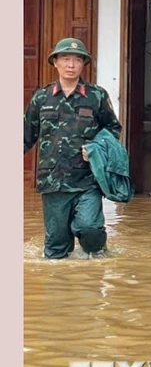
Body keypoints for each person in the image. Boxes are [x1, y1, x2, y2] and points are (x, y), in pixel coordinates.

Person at [23, 38, 122, 259]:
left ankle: (95, 271)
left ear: (83, 64)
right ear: (55, 62)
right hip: (52, 182)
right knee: (56, 251)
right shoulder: (42, 97)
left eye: (77, 60)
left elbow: (113, 129)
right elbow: (24, 135)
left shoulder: (97, 96)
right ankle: (62, 289)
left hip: (87, 180)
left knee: (91, 230)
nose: (71, 65)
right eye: (65, 59)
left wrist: (97, 147)